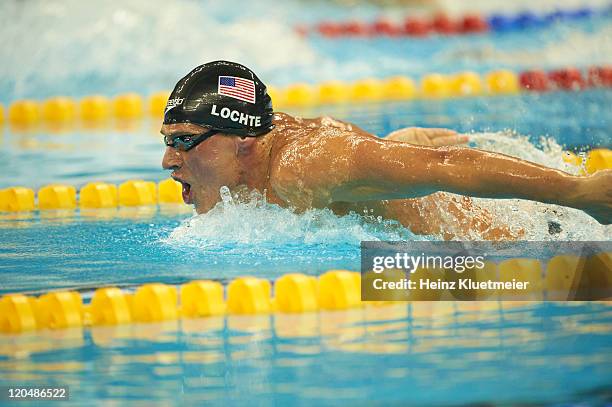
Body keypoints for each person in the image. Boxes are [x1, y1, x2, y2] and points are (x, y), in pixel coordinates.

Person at [161, 61, 611, 240]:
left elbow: (446, 165)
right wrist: (391, 154)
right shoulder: (267, 149)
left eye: (184, 141)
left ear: (241, 140)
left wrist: (579, 192)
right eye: (168, 142)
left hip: (524, 243)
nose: (168, 161)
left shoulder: (302, 167)